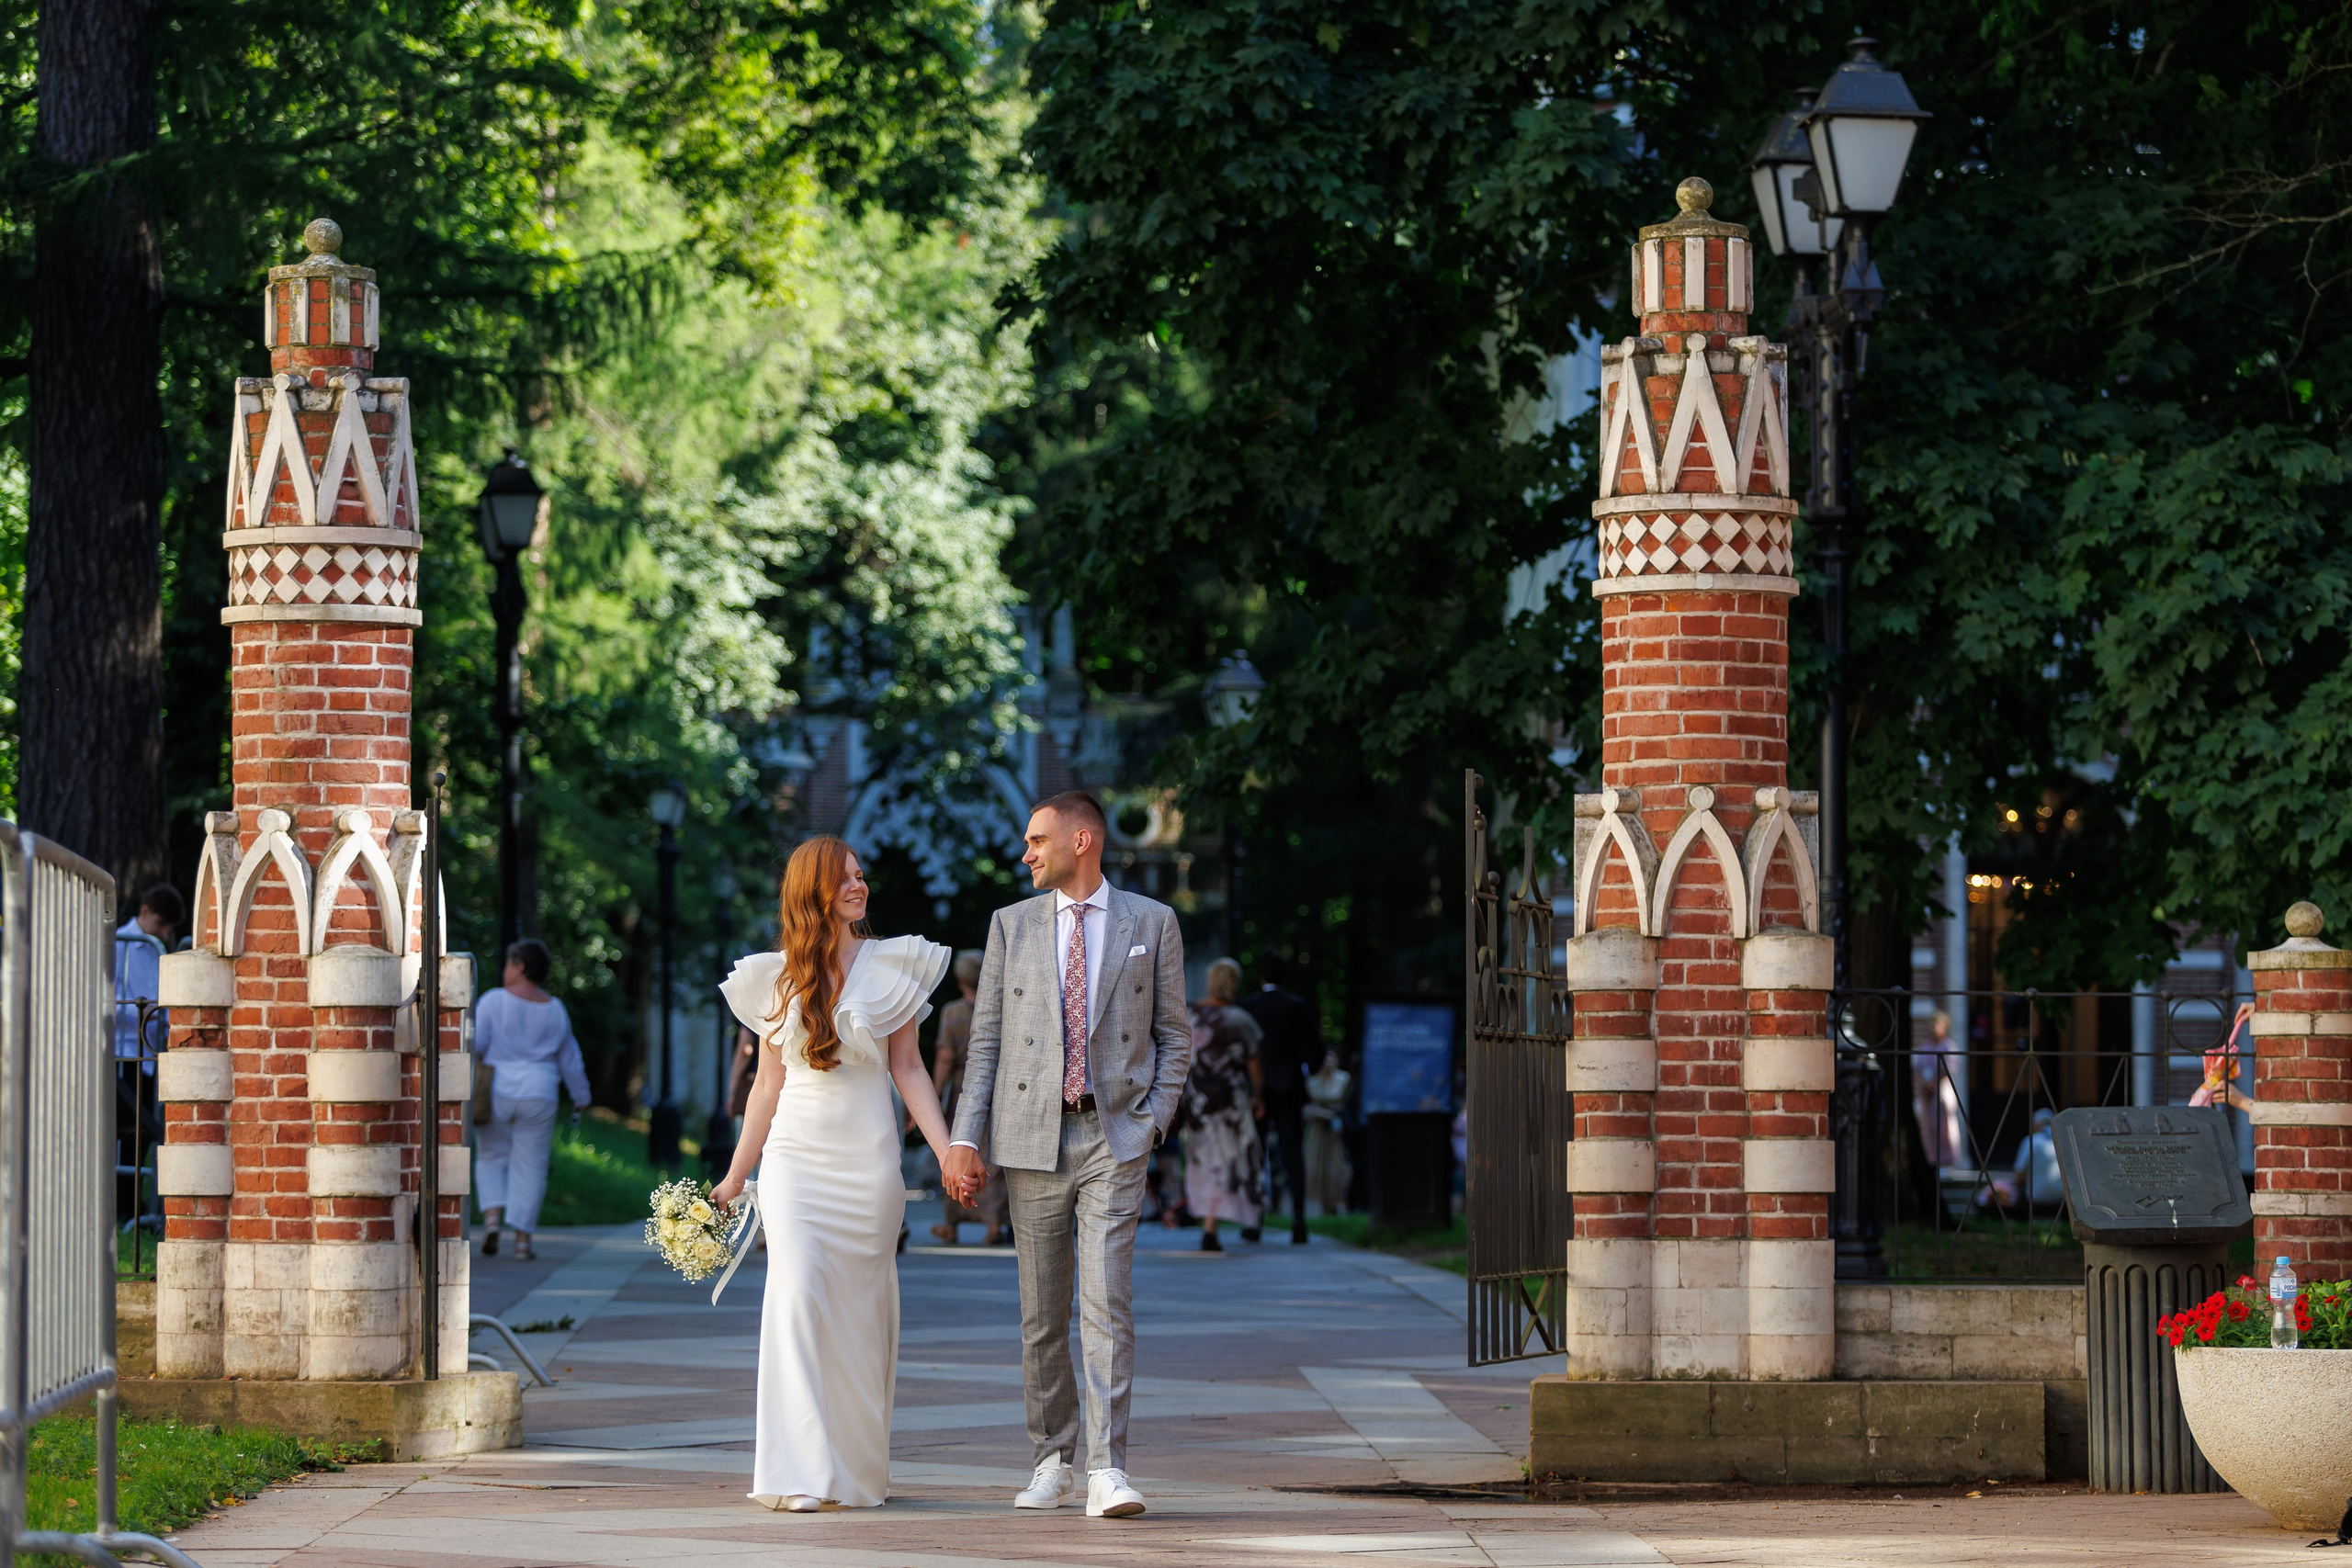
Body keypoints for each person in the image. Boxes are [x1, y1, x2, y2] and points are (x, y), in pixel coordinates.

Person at [940, 792, 1192, 1520]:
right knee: (1042, 1311)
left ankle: (1109, 1467)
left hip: (1114, 1135)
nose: (1027, 853)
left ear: (1082, 840)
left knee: (1106, 1298)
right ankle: (1052, 1456)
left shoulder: (1152, 921)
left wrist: (1153, 1120)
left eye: (1037, 839)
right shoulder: (1010, 926)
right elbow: (984, 1042)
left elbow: (1175, 1035)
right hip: (1030, 1137)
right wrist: (964, 1138)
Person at [711, 837, 954, 1512]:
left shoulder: (893, 965)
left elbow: (909, 1068)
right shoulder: (775, 976)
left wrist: (946, 1150)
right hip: (794, 1162)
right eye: (845, 877)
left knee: (855, 1316)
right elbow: (765, 1087)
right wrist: (736, 1177)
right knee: (793, 1297)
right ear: (812, 889)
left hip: (868, 1165)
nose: (860, 884)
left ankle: (849, 1469)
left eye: (860, 874)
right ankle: (800, 1472)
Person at [473, 938, 590, 1262]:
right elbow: (570, 1059)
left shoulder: (493, 1001)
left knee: (491, 1156)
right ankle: (523, 1242)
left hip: (496, 1090)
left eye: (509, 963)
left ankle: (492, 1221)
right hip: (540, 1092)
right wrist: (581, 1096)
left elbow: (476, 1044)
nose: (505, 970)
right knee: (532, 1165)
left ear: (520, 966)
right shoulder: (555, 1009)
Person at [1182, 959, 1264, 1253]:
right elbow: (1254, 1066)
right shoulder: (1240, 1019)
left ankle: (1209, 1223)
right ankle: (1238, 1222)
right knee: (1232, 1158)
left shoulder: (1189, 1014)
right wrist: (1258, 1097)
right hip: (1230, 1101)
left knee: (1202, 1159)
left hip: (1197, 1102)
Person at [112, 886, 181, 1225]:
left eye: (168, 927)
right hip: (124, 1051)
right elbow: (116, 1000)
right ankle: (121, 1204)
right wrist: (147, 1014)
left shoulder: (154, 949)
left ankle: (131, 1204)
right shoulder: (117, 946)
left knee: (139, 1136)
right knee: (124, 1133)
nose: (164, 932)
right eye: (160, 922)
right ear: (145, 911)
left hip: (148, 1054)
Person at [1237, 952, 1316, 1245]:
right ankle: (1298, 1219)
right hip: (1290, 1088)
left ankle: (1254, 1220)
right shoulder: (1297, 1006)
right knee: (1292, 1152)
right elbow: (1313, 1048)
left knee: (1255, 1154)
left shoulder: (1248, 1007)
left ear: (1260, 976)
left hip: (1255, 1092)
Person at [931, 950, 1008, 1245]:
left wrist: (936, 1093)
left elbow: (945, 1057)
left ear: (960, 978)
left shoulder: (953, 1012)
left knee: (957, 1152)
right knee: (993, 1157)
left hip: (964, 1092)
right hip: (999, 1091)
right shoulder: (1001, 1008)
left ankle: (953, 1223)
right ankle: (994, 1223)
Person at [1910, 1010, 1967, 1170]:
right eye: (1932, 1023)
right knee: (1927, 1126)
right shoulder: (1925, 1046)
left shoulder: (1948, 1046)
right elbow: (1917, 1068)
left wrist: (1933, 1084)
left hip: (1941, 1091)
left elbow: (1949, 1068)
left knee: (1944, 1126)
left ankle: (1947, 1162)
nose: (1933, 1027)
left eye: (1937, 1024)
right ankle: (1931, 1160)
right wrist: (1923, 1084)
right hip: (1925, 1092)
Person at [1304, 1047, 1353, 1216]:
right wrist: (1322, 1113)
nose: (1329, 1061)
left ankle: (1339, 1203)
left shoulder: (1344, 1079)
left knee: (1337, 1165)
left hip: (1336, 1130)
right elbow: (1305, 1108)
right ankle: (1321, 1206)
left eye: (1332, 1057)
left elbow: (1347, 1106)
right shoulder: (1311, 1082)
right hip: (1317, 1131)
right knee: (1315, 1165)